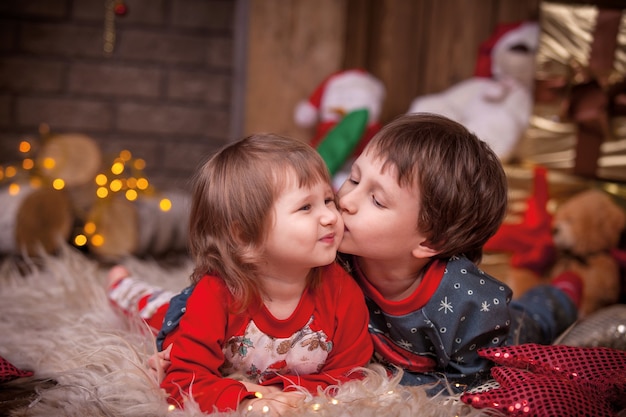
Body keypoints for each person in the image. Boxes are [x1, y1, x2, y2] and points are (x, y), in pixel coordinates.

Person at [117, 113, 583, 396]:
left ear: (429, 242)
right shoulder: (331, 256)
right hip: (385, 354)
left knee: (537, 317)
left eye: (377, 200)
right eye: (354, 178)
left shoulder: (472, 304)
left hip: (506, 330)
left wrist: (393, 384)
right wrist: (177, 340)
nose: (347, 201)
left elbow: (473, 386)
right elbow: (218, 287)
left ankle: (565, 290)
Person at [107, 133, 373, 415]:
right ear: (245, 236)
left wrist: (284, 390)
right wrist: (245, 399)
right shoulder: (216, 293)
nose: (331, 216)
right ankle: (120, 285)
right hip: (189, 311)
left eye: (328, 200)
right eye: (306, 207)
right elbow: (184, 380)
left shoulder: (342, 291)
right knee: (155, 308)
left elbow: (350, 374)